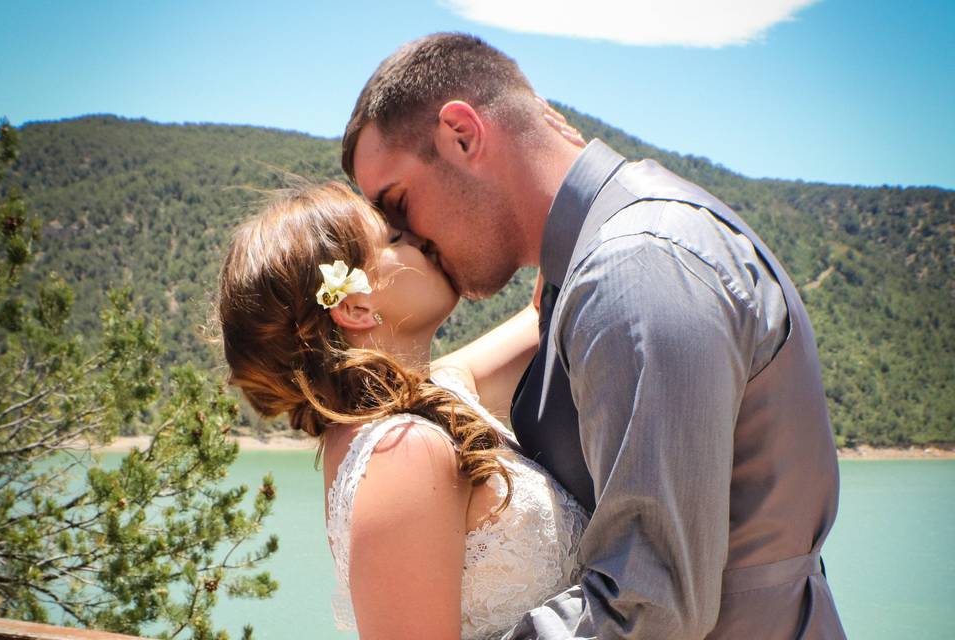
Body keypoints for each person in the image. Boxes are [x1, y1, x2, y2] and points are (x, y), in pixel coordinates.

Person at [341, 32, 846, 639]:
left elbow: (648, 607)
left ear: (463, 134)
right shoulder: (593, 267)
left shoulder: (633, 269)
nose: (406, 237)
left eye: (397, 204)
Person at [216, 181, 590, 640]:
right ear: (354, 306)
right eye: (395, 239)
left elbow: (544, 313)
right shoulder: (401, 452)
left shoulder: (435, 399)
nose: (422, 237)